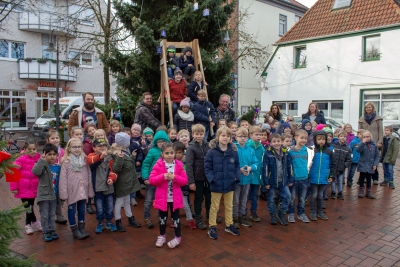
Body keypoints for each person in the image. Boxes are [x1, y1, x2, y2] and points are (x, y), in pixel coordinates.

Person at [205, 126, 241, 239]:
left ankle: (229, 224)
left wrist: (236, 177)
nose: (225, 138)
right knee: (214, 206)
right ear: (218, 137)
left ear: (231, 138)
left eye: (228, 136)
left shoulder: (233, 152)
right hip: (216, 183)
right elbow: (207, 167)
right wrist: (212, 179)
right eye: (223, 135)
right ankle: (212, 226)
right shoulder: (211, 152)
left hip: (230, 183)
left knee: (229, 206)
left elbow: (237, 165)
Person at [149, 143, 188, 248]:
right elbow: (152, 180)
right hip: (162, 199)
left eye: (171, 153)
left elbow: (184, 181)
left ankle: (178, 237)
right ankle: (162, 235)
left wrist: (175, 177)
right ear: (162, 154)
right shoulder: (158, 165)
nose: (170, 155)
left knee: (176, 218)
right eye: (167, 153)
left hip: (175, 199)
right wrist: (163, 177)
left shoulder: (179, 165)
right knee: (162, 218)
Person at [59, 138, 94, 240]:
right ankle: (74, 230)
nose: (77, 149)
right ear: (69, 148)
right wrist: (63, 193)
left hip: (83, 189)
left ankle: (82, 227)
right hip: (72, 190)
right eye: (74, 147)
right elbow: (63, 179)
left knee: (82, 209)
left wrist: (89, 190)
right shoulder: (66, 162)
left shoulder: (84, 160)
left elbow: (88, 175)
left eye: (79, 146)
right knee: (72, 209)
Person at [110, 132, 142, 231]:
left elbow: (128, 165)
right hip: (122, 182)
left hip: (128, 181)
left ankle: (130, 218)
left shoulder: (125, 151)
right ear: (125, 143)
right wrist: (119, 158)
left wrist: (132, 157)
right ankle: (118, 221)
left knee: (127, 201)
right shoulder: (118, 154)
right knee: (119, 201)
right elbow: (116, 168)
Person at [10, 139, 42, 235]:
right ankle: (32, 223)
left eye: (34, 149)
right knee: (28, 207)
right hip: (23, 187)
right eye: (30, 149)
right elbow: (13, 172)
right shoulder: (21, 158)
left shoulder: (38, 158)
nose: (32, 151)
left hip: (33, 187)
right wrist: (14, 188)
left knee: (30, 206)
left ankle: (30, 223)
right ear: (25, 149)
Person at [87, 138, 118, 233]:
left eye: (104, 145)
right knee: (99, 207)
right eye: (99, 146)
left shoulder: (110, 157)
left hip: (109, 188)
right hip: (97, 188)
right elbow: (90, 162)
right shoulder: (91, 156)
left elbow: (114, 170)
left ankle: (109, 222)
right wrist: (100, 157)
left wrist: (111, 178)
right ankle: (100, 222)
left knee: (109, 206)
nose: (102, 147)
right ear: (94, 148)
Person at [142, 130, 171, 229]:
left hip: (163, 181)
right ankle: (147, 217)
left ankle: (161, 217)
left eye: (163, 141)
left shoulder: (168, 152)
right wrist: (145, 177)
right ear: (155, 142)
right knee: (149, 200)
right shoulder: (152, 151)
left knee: (161, 200)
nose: (161, 143)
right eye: (159, 141)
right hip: (151, 180)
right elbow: (146, 164)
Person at [263, 133, 293, 226]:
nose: (277, 143)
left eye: (278, 141)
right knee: (271, 199)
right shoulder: (268, 153)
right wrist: (266, 182)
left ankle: (281, 213)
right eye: (274, 141)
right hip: (272, 181)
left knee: (288, 196)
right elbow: (265, 168)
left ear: (281, 142)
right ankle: (273, 215)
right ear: (270, 143)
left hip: (283, 180)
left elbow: (290, 167)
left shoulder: (286, 153)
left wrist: (291, 179)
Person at [32, 144, 60, 241]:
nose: (52, 156)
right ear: (45, 155)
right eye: (49, 154)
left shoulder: (58, 167)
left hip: (54, 195)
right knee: (44, 215)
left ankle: (52, 229)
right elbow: (35, 172)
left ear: (57, 155)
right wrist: (42, 160)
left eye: (54, 154)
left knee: (52, 214)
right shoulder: (43, 165)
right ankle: (45, 231)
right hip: (44, 195)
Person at [186, 124, 211, 230]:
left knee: (209, 198)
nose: (199, 136)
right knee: (198, 199)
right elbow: (189, 166)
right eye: (197, 134)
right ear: (193, 134)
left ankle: (210, 215)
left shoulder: (207, 145)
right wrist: (191, 182)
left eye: (201, 134)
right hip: (198, 179)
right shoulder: (191, 148)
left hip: (208, 177)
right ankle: (199, 218)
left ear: (204, 134)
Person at [233, 127, 258, 229]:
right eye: (240, 136)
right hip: (236, 180)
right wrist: (238, 170)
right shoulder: (233, 148)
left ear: (248, 137)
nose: (243, 138)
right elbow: (230, 164)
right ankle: (234, 218)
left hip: (247, 179)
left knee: (244, 200)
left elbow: (256, 163)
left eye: (245, 136)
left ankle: (242, 216)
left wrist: (250, 168)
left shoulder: (250, 150)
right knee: (235, 200)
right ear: (236, 137)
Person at [309, 131, 336, 221]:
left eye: (323, 139)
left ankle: (319, 211)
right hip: (313, 176)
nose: (321, 141)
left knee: (321, 195)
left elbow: (333, 164)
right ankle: (312, 211)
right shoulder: (312, 150)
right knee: (314, 195)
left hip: (324, 177)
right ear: (315, 140)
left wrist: (331, 175)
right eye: (319, 139)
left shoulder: (329, 151)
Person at [288, 129, 313, 223]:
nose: (304, 140)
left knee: (302, 198)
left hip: (304, 179)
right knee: (292, 198)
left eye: (305, 138)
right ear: (295, 138)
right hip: (294, 179)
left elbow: (310, 163)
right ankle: (291, 213)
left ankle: (301, 213)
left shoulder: (308, 151)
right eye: (301, 138)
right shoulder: (291, 151)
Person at [358, 102, 383, 184]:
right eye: (367, 107)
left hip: (375, 142)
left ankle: (375, 178)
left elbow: (380, 131)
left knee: (374, 160)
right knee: (364, 159)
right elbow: (359, 132)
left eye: (370, 107)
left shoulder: (378, 118)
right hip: (365, 142)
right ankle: (363, 177)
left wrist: (380, 142)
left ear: (373, 108)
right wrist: (361, 141)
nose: (368, 108)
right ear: (365, 109)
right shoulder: (361, 119)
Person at [173, 141, 196, 229]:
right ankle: (174, 220)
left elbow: (187, 174)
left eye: (180, 152)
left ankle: (190, 220)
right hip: (174, 187)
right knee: (174, 205)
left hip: (183, 186)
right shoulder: (171, 162)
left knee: (185, 205)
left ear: (183, 152)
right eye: (176, 152)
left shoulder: (186, 162)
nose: (178, 155)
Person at [45, 130, 67, 224]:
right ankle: (50, 216)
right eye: (52, 138)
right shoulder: (46, 151)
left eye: (57, 138)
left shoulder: (62, 151)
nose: (55, 140)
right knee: (51, 197)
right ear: (48, 140)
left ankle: (59, 216)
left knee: (58, 197)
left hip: (60, 176)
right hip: (49, 177)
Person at [246, 126, 265, 222]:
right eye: (256, 134)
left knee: (254, 195)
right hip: (248, 174)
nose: (259, 136)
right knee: (245, 195)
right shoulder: (247, 146)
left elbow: (262, 161)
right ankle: (243, 212)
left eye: (260, 135)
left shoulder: (261, 148)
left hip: (257, 175)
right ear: (250, 135)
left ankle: (253, 212)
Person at [357, 130, 380, 199]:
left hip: (370, 164)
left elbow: (377, 155)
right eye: (364, 137)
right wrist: (363, 142)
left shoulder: (374, 145)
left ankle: (369, 191)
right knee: (362, 177)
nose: (366, 138)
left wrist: (375, 164)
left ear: (370, 136)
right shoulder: (362, 144)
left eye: (367, 136)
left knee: (369, 178)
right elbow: (358, 150)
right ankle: (361, 190)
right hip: (363, 163)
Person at [330, 131, 352, 200]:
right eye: (341, 136)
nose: (343, 138)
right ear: (338, 137)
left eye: (344, 137)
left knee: (340, 180)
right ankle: (333, 192)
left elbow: (349, 159)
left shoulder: (348, 148)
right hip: (334, 167)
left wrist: (345, 165)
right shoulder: (333, 146)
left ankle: (340, 192)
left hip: (341, 168)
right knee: (333, 179)